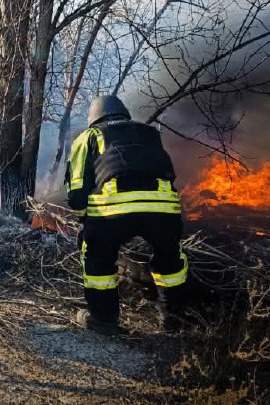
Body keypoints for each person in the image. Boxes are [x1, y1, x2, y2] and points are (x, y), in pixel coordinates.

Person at [65, 95, 188, 335]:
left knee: (97, 259)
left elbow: (77, 188)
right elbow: (168, 171)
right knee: (170, 263)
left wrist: (84, 218)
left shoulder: (90, 137)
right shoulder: (150, 133)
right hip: (163, 210)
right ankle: (174, 321)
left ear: (94, 118)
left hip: (112, 210)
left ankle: (103, 320)